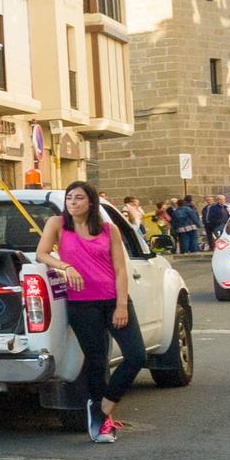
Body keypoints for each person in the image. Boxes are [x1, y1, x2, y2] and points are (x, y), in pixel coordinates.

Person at [36, 181, 146, 443]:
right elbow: (41, 254)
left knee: (136, 356)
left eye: (79, 198)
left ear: (91, 202)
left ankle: (102, 408)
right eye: (69, 198)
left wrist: (121, 305)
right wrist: (66, 267)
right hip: (82, 304)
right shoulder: (57, 224)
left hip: (113, 300)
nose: (73, 203)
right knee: (97, 361)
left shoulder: (109, 229)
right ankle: (100, 421)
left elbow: (120, 269)